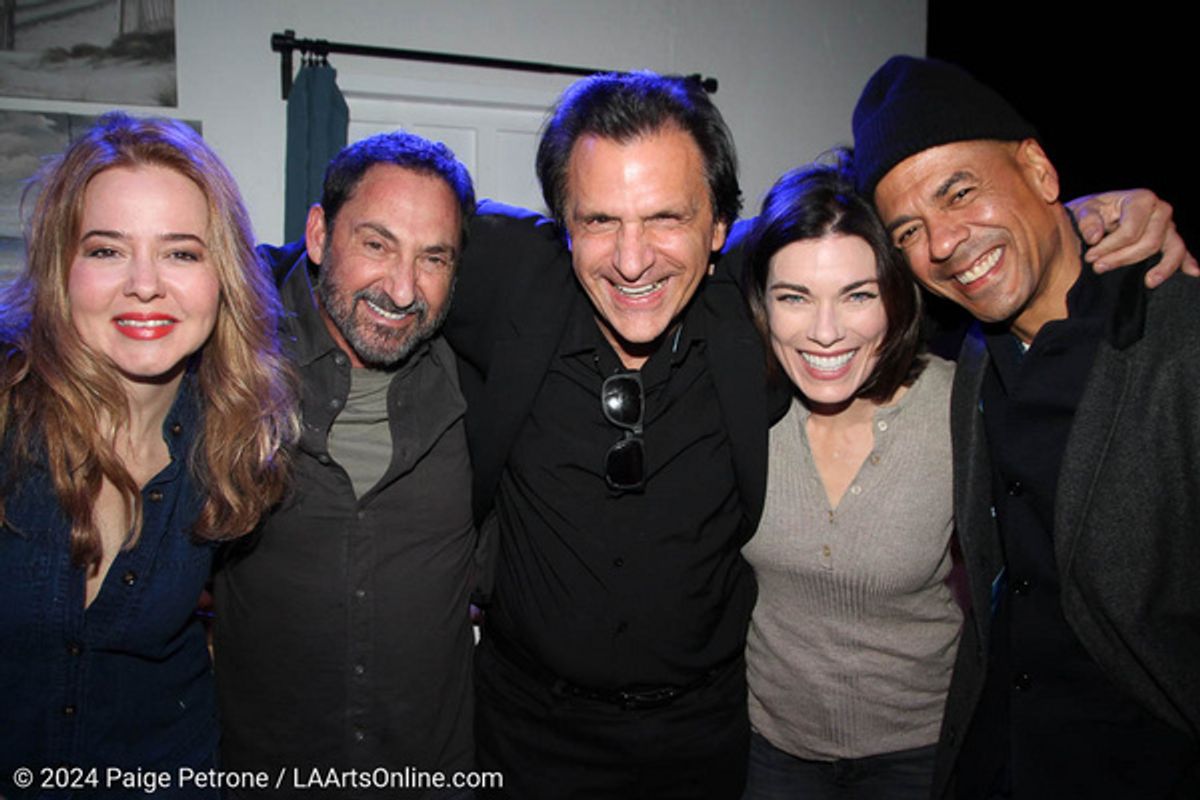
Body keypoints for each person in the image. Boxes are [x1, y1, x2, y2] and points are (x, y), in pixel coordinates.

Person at [442, 70, 1185, 799]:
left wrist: (1077, 219)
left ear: (719, 231)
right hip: (528, 733)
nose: (633, 259)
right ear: (564, 227)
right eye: (600, 220)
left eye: (667, 217)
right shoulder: (508, 276)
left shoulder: (780, 319)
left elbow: (882, 238)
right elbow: (393, 230)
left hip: (708, 744)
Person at [853, 55, 1200, 798]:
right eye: (909, 230)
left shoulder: (1180, 342)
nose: (942, 243)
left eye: (960, 192)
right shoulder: (975, 357)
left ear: (1040, 171)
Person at [0, 113, 295, 799]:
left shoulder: (234, 439)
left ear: (223, 275)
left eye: (181, 254)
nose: (144, 284)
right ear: (61, 268)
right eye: (106, 250)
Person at [213, 131, 480, 799]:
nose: (402, 288)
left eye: (433, 257)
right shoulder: (231, 371)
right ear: (318, 235)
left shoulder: (481, 386)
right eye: (376, 244)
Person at [738, 154, 957, 799]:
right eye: (794, 297)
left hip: (921, 752)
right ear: (761, 304)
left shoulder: (957, 405)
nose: (826, 333)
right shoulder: (742, 409)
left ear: (896, 297)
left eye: (858, 295)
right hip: (773, 751)